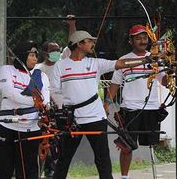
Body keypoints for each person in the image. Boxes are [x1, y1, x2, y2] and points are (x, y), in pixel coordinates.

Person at [50, 30, 159, 179]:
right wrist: (63, 112)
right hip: (72, 120)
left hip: (95, 117)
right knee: (64, 158)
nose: (92, 44)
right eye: (89, 41)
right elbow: (55, 92)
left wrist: (145, 60)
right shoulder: (60, 66)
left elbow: (121, 64)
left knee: (102, 158)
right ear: (79, 44)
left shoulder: (95, 63)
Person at [104, 24, 168, 179]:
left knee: (152, 143)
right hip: (130, 108)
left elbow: (165, 82)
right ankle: (124, 177)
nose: (142, 41)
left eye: (145, 37)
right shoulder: (123, 61)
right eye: (138, 38)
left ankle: (154, 175)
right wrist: (106, 104)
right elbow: (114, 86)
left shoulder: (155, 59)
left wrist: (169, 69)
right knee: (126, 145)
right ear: (130, 40)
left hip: (151, 107)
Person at [0, 41, 50, 179]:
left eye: (36, 55)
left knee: (28, 173)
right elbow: (11, 94)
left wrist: (43, 104)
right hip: (6, 126)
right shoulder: (6, 70)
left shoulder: (42, 77)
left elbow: (45, 100)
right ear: (22, 56)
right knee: (0, 171)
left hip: (30, 129)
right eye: (32, 55)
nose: (35, 59)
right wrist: (35, 102)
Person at [36, 16, 77, 177]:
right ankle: (46, 169)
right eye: (52, 51)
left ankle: (57, 170)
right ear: (45, 53)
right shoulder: (38, 69)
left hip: (63, 109)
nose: (56, 53)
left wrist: (72, 25)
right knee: (46, 140)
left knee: (61, 141)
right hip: (46, 110)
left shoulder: (62, 62)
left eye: (57, 50)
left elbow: (73, 42)